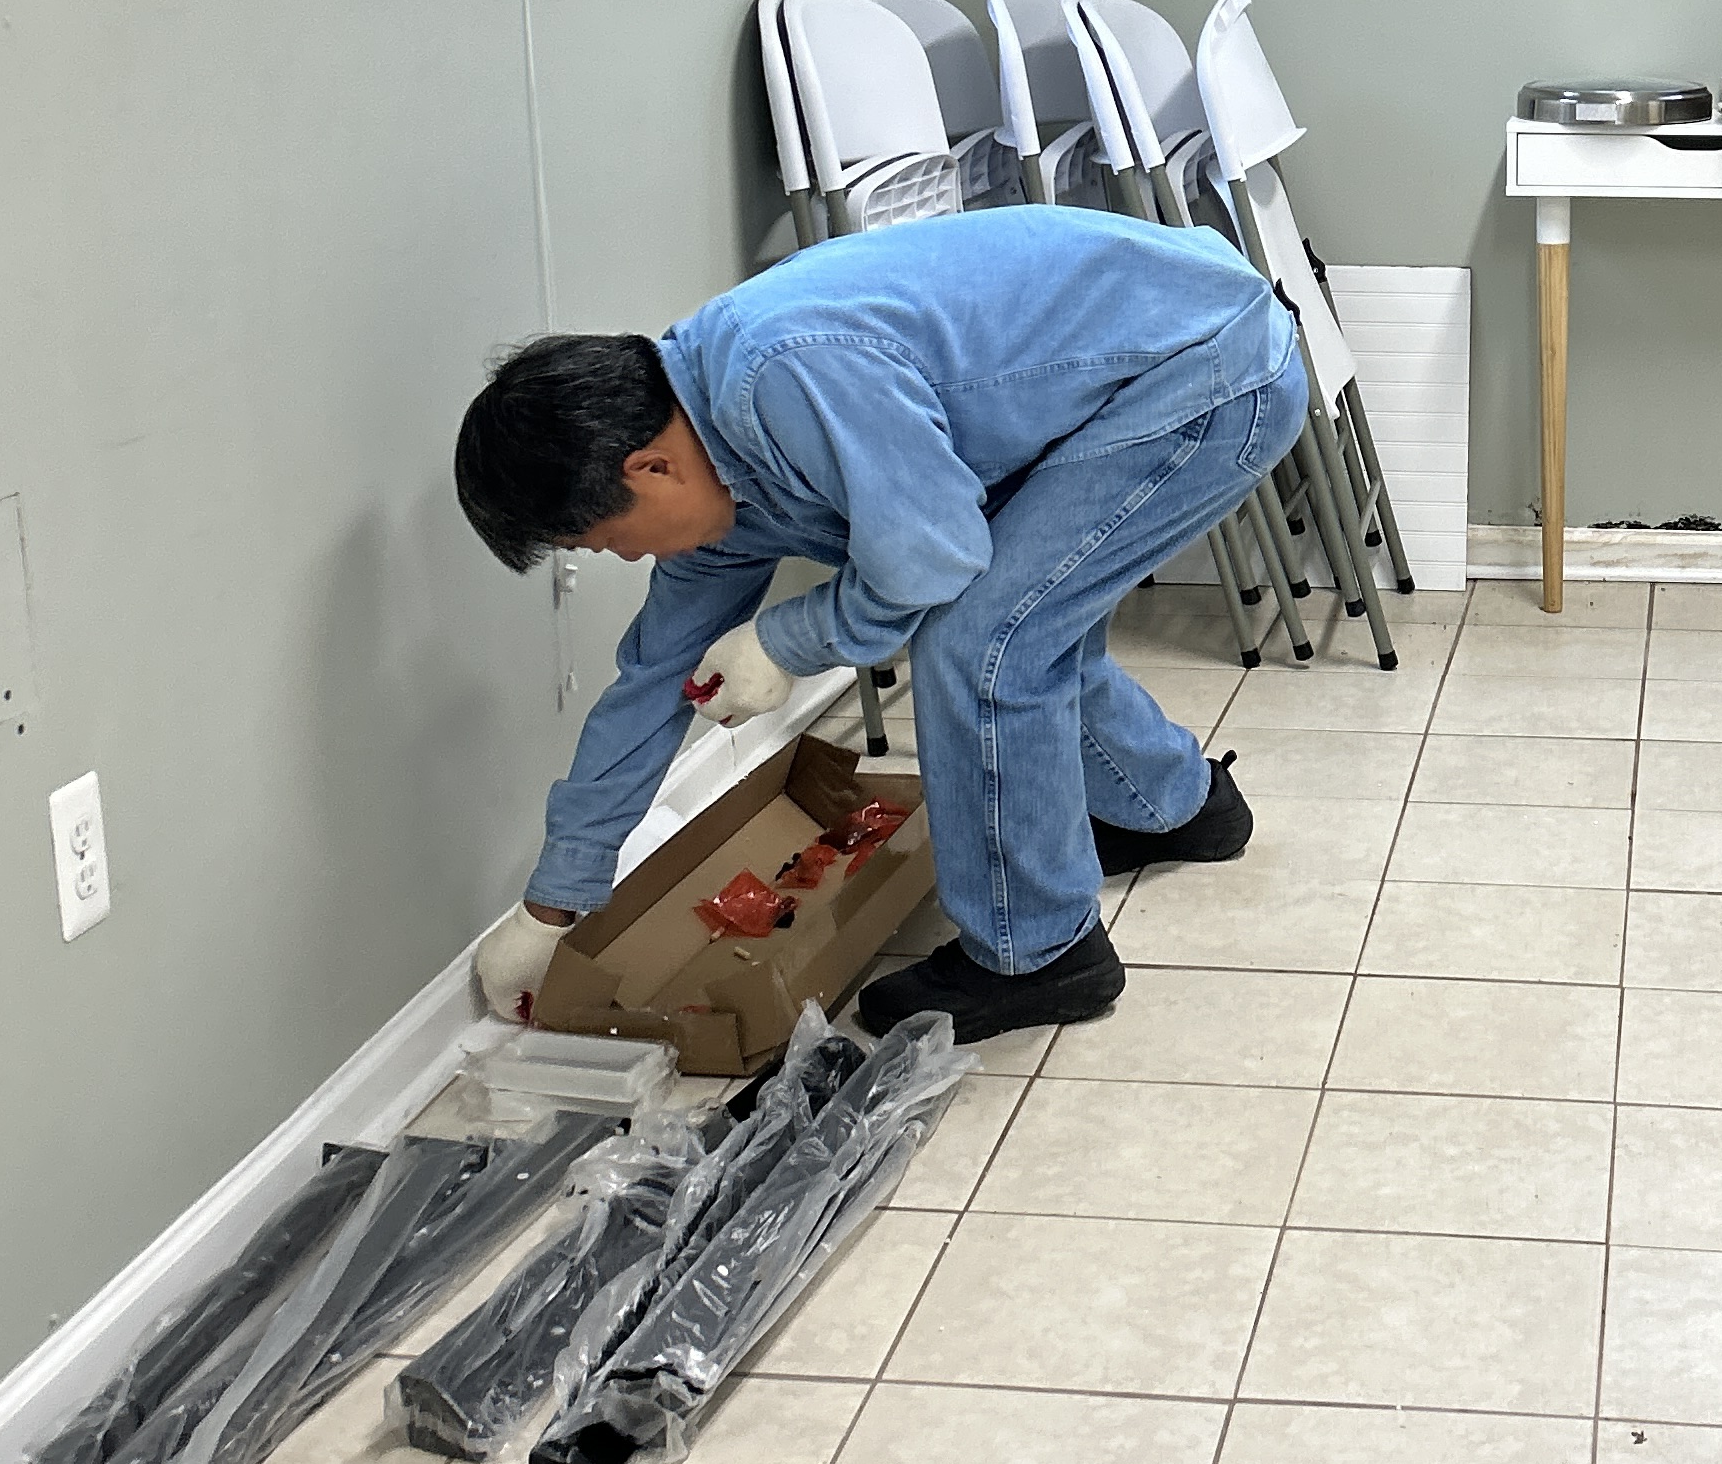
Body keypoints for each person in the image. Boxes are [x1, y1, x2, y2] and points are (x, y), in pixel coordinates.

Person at [451, 209, 1307, 1042]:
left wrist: (785, 641)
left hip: (1208, 365)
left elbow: (934, 559)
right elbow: (653, 683)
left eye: (608, 540)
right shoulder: (712, 474)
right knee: (1025, 623)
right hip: (1146, 356)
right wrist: (550, 909)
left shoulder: (783, 374)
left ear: (651, 468)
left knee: (983, 642)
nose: (629, 557)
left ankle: (1041, 957)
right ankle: (1178, 809)